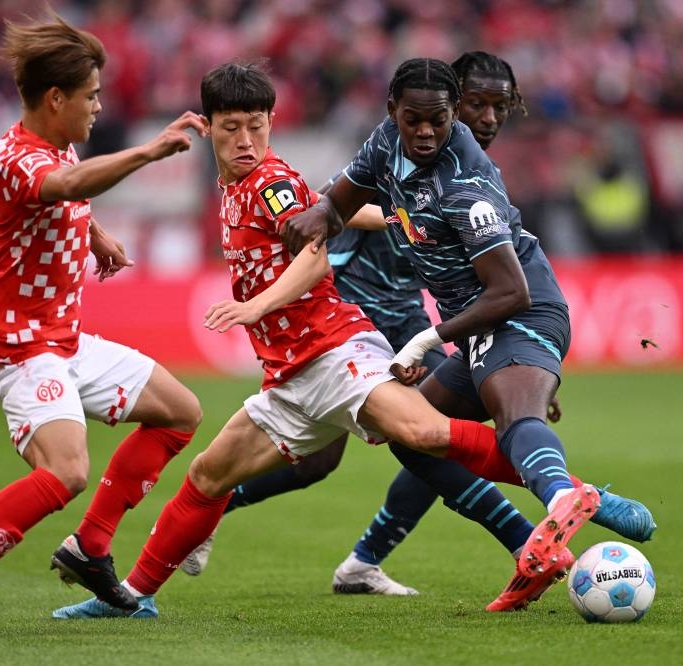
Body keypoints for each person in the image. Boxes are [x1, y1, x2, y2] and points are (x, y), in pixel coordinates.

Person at [49, 61, 548, 620]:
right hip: (292, 369)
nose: (245, 139)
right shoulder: (250, 182)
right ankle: (133, 598)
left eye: (256, 126)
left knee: (423, 435)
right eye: (232, 126)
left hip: (338, 348)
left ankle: (566, 498)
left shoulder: (271, 180)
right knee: (214, 474)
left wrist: (255, 306)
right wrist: (390, 216)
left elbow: (312, 256)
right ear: (205, 126)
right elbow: (327, 207)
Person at [181, 53, 655, 611]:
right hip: (363, 323)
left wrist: (458, 349)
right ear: (401, 111)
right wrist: (315, 218)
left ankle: (525, 530)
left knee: (441, 429)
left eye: (496, 107)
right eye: (476, 103)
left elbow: (508, 291)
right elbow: (341, 205)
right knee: (385, 443)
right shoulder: (391, 147)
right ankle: (532, 524)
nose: (486, 117)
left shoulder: (468, 185)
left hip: (451, 322)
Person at [0, 12, 207, 647]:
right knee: (66, 472)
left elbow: (66, 192)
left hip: (66, 340)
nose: (99, 106)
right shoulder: (14, 157)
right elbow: (59, 185)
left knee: (180, 411)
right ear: (55, 98)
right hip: (21, 350)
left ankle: (91, 547)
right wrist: (149, 150)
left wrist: (96, 236)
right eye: (91, 95)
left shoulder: (58, 144)